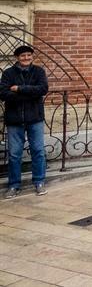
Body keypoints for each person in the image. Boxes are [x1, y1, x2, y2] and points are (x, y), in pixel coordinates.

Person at [0, 45, 49, 199]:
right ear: (17, 58)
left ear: (32, 56)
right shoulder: (8, 73)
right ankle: (14, 185)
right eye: (23, 56)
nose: (26, 58)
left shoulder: (38, 71)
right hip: (14, 120)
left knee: (38, 152)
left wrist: (19, 89)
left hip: (35, 119)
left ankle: (39, 182)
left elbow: (42, 89)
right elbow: (3, 93)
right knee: (14, 154)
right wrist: (29, 92)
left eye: (29, 55)